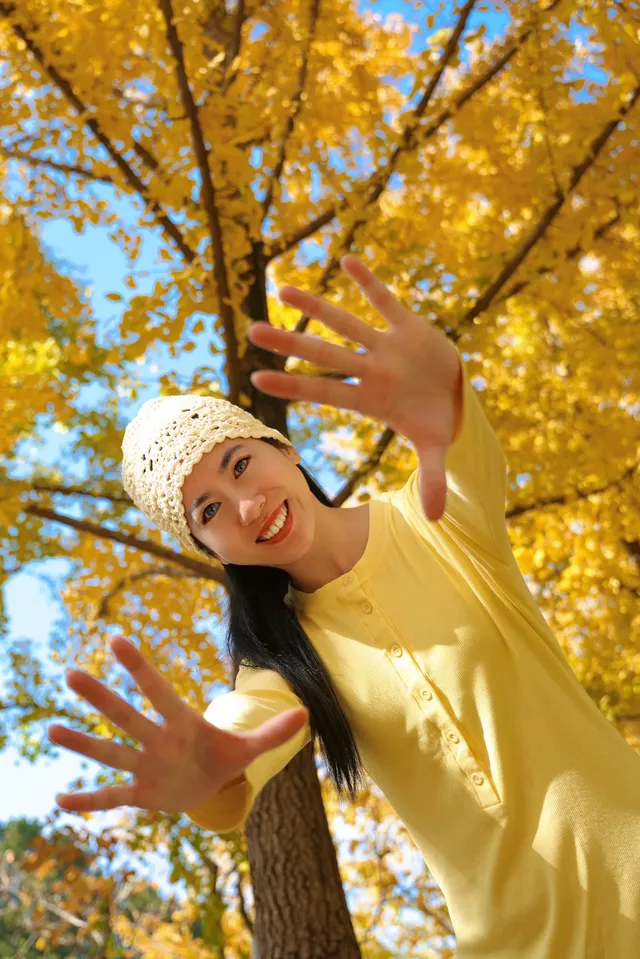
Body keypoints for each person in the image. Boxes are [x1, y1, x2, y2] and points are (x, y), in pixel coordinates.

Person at [48, 256, 640, 958]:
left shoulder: (434, 516)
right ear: (213, 550)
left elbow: (459, 444)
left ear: (285, 449)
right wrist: (206, 773)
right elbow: (234, 743)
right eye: (209, 508)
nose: (246, 504)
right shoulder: (283, 666)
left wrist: (449, 395)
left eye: (240, 463)